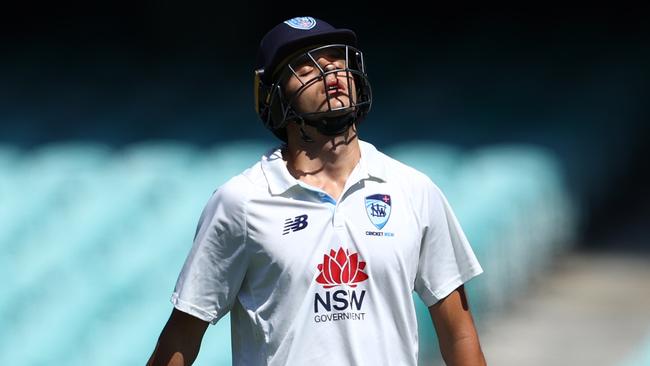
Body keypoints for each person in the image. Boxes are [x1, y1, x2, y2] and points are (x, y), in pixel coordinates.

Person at [147, 16, 486, 366]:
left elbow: (458, 332)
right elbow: (182, 337)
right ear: (275, 97)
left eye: (338, 63)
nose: (331, 75)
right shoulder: (240, 202)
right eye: (306, 70)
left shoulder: (414, 190)